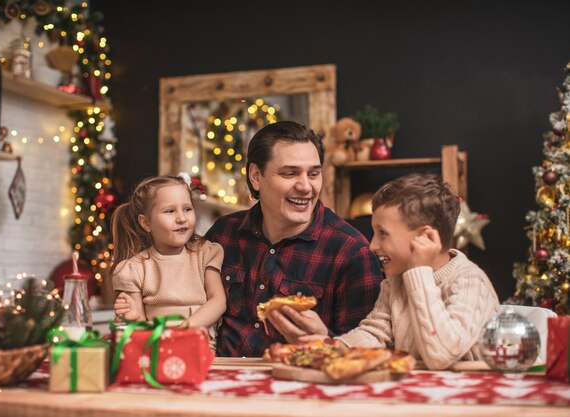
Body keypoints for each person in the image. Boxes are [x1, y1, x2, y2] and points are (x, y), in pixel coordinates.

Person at [205, 120, 383, 357]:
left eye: (314, 174)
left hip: (300, 386)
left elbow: (366, 356)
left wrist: (326, 341)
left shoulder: (352, 252)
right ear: (256, 176)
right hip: (218, 382)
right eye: (290, 173)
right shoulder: (224, 233)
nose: (306, 187)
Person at [297, 173, 500, 370]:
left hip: (465, 398)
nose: (372, 245)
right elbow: (376, 333)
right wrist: (338, 347)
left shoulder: (469, 283)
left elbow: (440, 357)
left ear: (426, 238)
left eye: (383, 234)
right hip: (418, 394)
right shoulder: (396, 280)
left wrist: (420, 272)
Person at [110, 174, 226, 349]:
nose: (181, 218)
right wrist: (133, 318)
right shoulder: (133, 269)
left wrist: (184, 328)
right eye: (170, 211)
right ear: (146, 223)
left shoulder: (206, 253)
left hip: (200, 347)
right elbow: (140, 328)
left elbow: (218, 301)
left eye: (187, 209)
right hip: (157, 349)